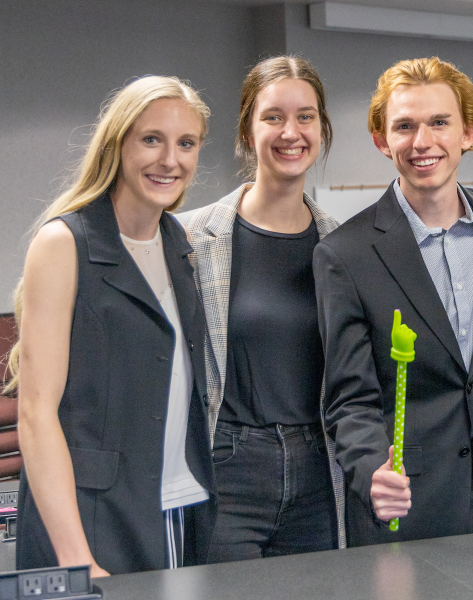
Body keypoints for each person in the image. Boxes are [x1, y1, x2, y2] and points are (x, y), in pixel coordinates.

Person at [314, 57, 473, 546]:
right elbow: (349, 399)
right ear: (381, 140)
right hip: (405, 505)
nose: (422, 141)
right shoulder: (345, 254)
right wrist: (372, 470)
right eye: (405, 126)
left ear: (468, 132)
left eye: (439, 123)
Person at [10, 76, 217, 575]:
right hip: (90, 520)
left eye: (186, 143)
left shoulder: (178, 241)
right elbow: (36, 414)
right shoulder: (64, 243)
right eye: (152, 139)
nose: (170, 160)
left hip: (178, 507)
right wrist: (76, 559)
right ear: (117, 143)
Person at [177, 56, 342, 561]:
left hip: (319, 472)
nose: (291, 132)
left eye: (305, 116)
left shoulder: (344, 246)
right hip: (227, 468)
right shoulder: (188, 238)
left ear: (321, 129)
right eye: (273, 117)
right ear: (248, 132)